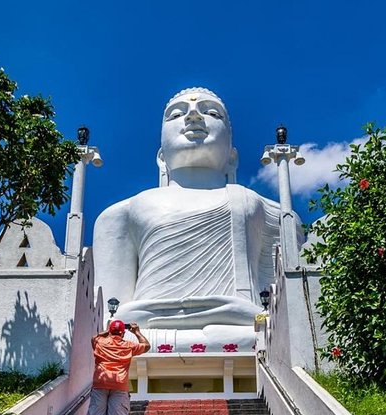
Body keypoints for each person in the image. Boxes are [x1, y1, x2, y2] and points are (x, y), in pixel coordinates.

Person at [93, 87, 304, 352]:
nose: (194, 116)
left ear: (232, 156)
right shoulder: (122, 213)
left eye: (211, 112)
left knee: (261, 334)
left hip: (239, 328)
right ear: (161, 159)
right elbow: (109, 316)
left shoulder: (263, 208)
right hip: (148, 329)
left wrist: (252, 316)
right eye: (177, 114)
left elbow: (279, 311)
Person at [87, 320, 150, 415]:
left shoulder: (100, 342)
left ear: (110, 331)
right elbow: (146, 346)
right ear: (123, 333)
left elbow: (94, 338)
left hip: (100, 383)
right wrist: (137, 332)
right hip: (119, 386)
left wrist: (108, 331)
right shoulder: (128, 345)